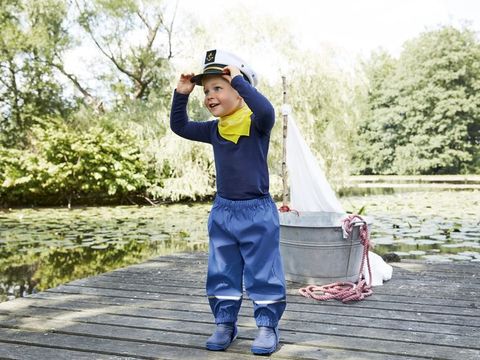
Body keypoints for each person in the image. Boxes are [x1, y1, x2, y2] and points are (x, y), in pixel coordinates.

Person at [170, 49, 286, 355]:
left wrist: (241, 80)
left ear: (240, 88)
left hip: (257, 212)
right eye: (206, 90)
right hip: (224, 212)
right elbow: (179, 126)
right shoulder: (213, 129)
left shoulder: (256, 124)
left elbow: (267, 111)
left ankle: (266, 326)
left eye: (218, 87)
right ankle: (224, 322)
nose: (209, 96)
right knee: (222, 270)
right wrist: (181, 94)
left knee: (263, 271)